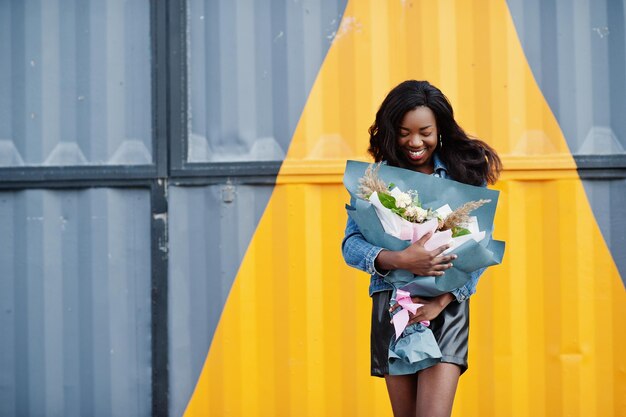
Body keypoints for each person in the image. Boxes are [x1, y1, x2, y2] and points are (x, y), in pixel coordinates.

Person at [342, 80, 502, 417]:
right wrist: (397, 258)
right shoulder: (373, 180)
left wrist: (442, 300)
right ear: (390, 131)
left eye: (424, 131)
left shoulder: (465, 175)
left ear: (439, 128)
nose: (415, 142)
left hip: (445, 307)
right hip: (393, 306)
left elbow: (481, 252)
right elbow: (350, 245)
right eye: (403, 132)